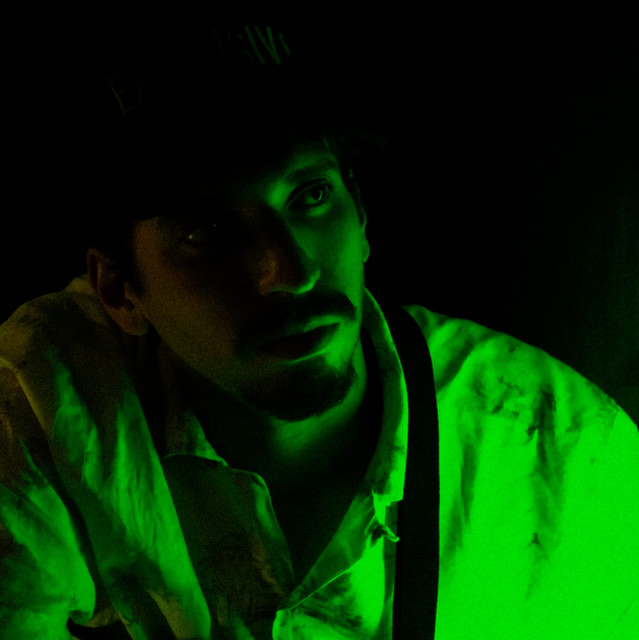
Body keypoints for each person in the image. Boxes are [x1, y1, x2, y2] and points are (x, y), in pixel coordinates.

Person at [1, 18, 639, 640]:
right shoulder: (46, 394)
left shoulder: (560, 451)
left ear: (360, 217)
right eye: (210, 232)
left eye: (310, 196)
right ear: (119, 290)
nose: (292, 272)